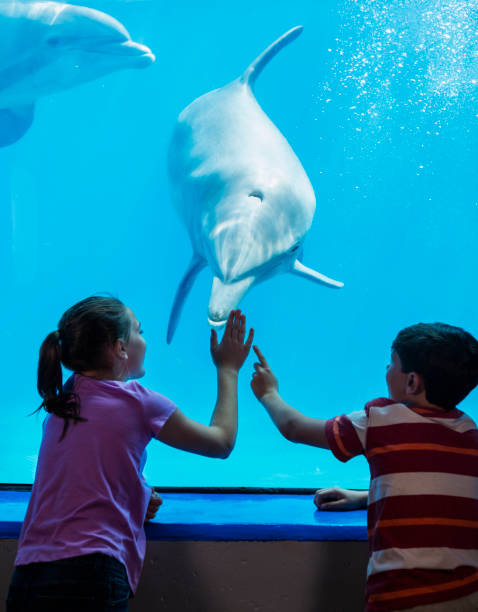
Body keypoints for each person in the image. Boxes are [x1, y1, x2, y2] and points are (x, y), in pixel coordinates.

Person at [6, 296, 253, 611]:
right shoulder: (140, 403)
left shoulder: (61, 405)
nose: (144, 340)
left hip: (29, 574)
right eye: (140, 331)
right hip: (91, 574)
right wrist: (228, 369)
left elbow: (86, 466)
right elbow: (220, 443)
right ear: (120, 347)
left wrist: (137, 492)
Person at [250, 322, 478, 612]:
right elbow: (442, 489)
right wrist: (367, 497)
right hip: (468, 593)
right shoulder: (469, 432)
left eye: (392, 362)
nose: (386, 367)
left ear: (412, 383)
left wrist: (269, 393)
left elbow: (294, 428)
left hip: (402, 596)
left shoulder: (380, 419)